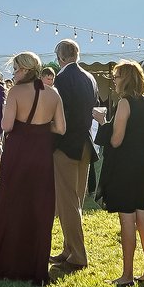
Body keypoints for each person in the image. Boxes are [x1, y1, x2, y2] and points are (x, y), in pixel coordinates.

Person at [0, 51, 64, 284]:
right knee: (39, 207)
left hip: (19, 153)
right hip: (41, 154)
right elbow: (61, 128)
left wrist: (22, 124)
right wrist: (40, 129)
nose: (14, 73)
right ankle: (34, 265)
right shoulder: (54, 94)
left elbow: (7, 126)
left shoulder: (16, 92)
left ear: (27, 70)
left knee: (13, 204)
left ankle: (7, 263)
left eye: (17, 69)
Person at [96, 59, 144, 286]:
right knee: (143, 215)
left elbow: (115, 140)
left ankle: (126, 275)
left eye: (115, 77)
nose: (113, 81)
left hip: (125, 165)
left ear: (125, 79)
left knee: (127, 218)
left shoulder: (125, 103)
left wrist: (103, 121)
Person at [49, 40, 99, 273]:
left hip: (66, 145)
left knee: (68, 202)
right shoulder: (90, 78)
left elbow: (58, 113)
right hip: (85, 143)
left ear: (60, 57)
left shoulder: (61, 79)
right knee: (75, 200)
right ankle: (69, 249)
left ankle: (77, 255)